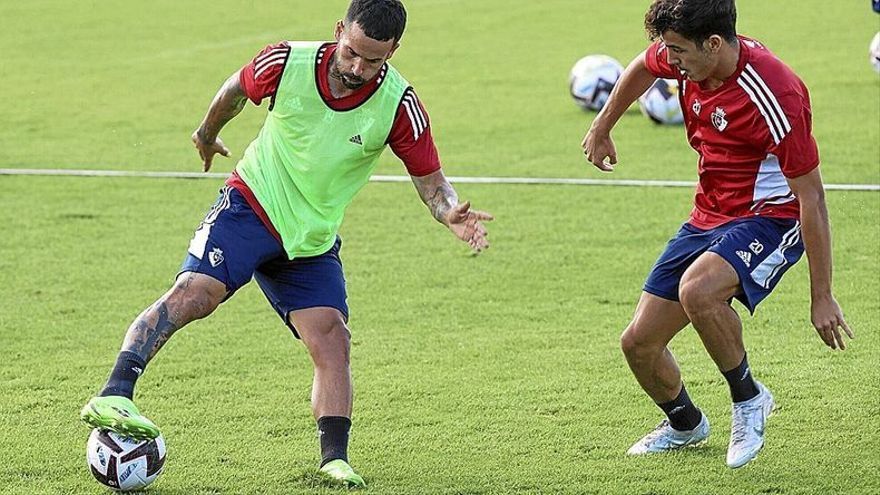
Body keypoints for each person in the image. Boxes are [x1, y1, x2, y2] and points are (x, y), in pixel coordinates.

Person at [80, 0, 493, 487]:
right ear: (339, 30)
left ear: (394, 50)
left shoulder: (400, 105)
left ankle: (333, 459)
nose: (358, 68)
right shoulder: (286, 62)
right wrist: (207, 133)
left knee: (332, 337)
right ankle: (116, 392)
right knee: (196, 293)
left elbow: (432, 183)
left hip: (311, 238)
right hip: (252, 204)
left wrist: (449, 213)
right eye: (352, 52)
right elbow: (235, 89)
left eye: (373, 60)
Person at [581, 0, 852, 468]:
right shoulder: (689, 57)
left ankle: (750, 399)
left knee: (699, 291)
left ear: (713, 43)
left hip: (772, 216)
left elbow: (812, 198)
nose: (672, 61)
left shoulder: (775, 92)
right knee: (638, 345)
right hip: (708, 213)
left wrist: (822, 294)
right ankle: (685, 424)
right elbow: (641, 68)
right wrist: (603, 125)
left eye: (679, 52)